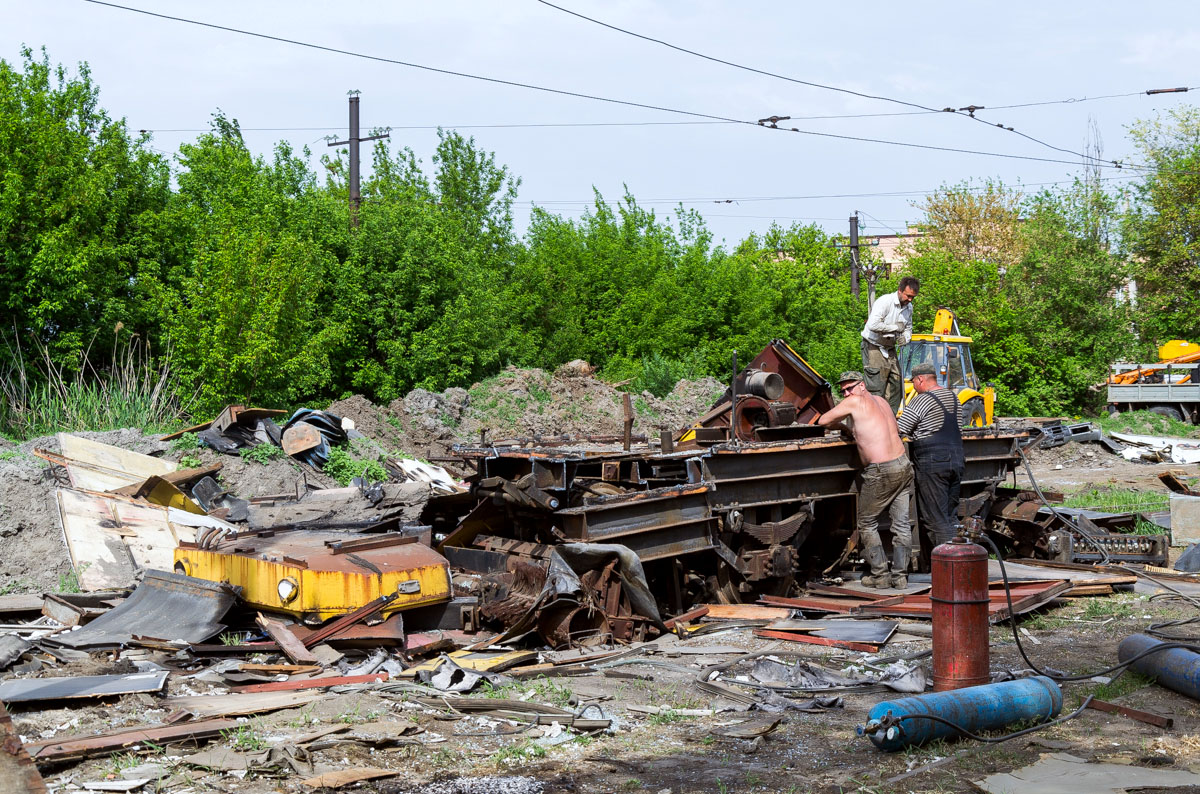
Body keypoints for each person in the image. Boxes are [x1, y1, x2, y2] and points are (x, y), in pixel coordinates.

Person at [817, 371, 914, 589]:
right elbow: (894, 429)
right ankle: (900, 577)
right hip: (903, 464)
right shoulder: (881, 401)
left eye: (850, 387)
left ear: (862, 385)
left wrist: (844, 427)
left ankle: (880, 576)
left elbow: (823, 420)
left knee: (866, 523)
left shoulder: (854, 402)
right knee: (901, 524)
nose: (846, 393)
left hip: (881, 471)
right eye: (842, 390)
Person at [897, 362, 965, 548]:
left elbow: (901, 427)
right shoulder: (953, 397)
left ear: (920, 379)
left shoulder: (922, 399)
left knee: (935, 517)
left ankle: (947, 565)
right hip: (957, 458)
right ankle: (959, 556)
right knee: (950, 515)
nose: (914, 387)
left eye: (914, 383)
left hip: (933, 461)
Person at [861, 276, 920, 413]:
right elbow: (872, 325)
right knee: (876, 385)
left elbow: (908, 328)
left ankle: (890, 418)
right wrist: (894, 328)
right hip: (873, 346)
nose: (910, 299)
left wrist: (906, 338)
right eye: (908, 296)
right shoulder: (885, 302)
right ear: (900, 291)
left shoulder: (908, 307)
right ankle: (874, 419)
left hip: (890, 348)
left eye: (913, 297)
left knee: (896, 384)